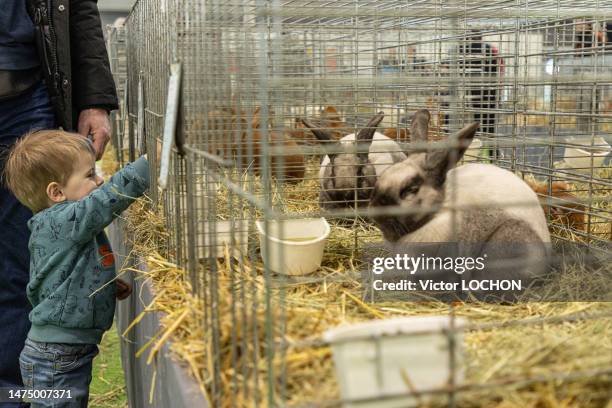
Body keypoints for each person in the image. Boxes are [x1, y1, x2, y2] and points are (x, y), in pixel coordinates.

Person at [0, 1, 117, 404]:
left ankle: (16, 391)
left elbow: (78, 8)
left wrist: (95, 97)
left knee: (24, 258)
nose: (97, 183)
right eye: (91, 178)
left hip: (24, 92)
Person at [3, 130, 148, 407]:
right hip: (56, 358)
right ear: (57, 192)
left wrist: (103, 282)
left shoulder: (58, 227)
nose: (99, 180)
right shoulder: (62, 222)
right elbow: (104, 202)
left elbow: (59, 278)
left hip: (60, 353)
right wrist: (148, 163)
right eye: (90, 175)